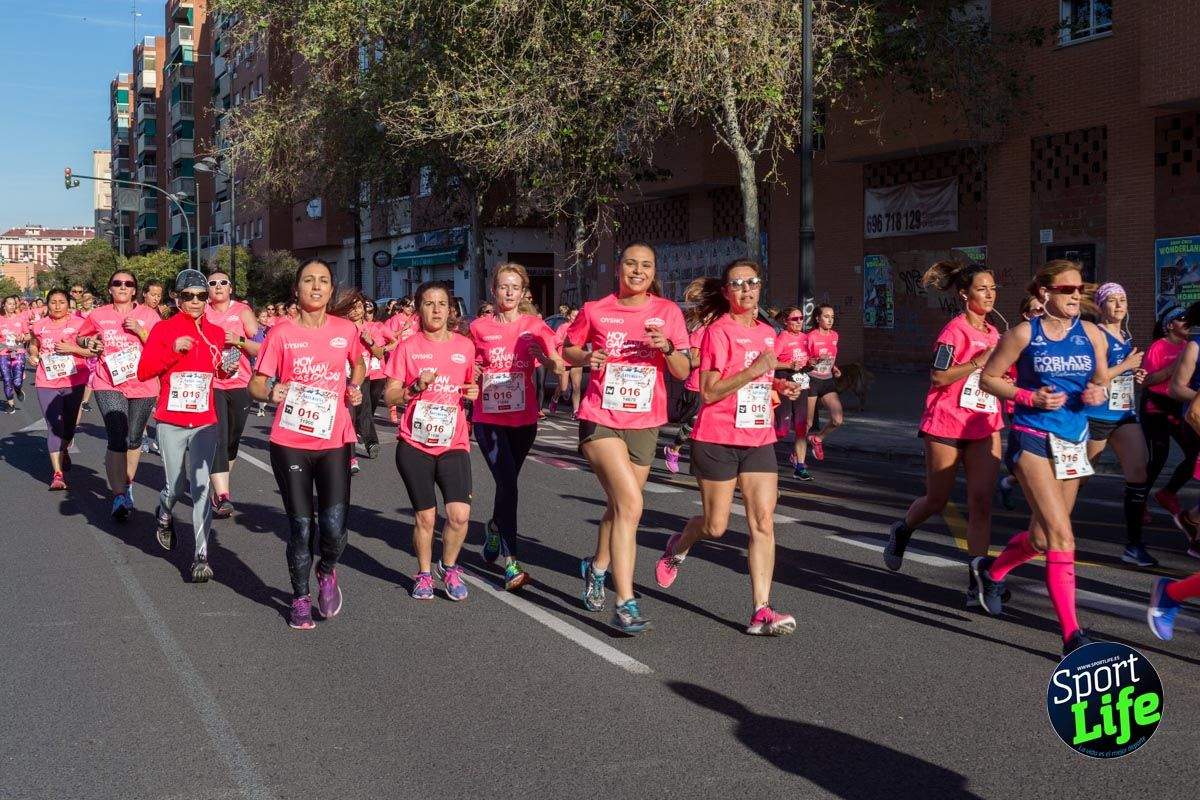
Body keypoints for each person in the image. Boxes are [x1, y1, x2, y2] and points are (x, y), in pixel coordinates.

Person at [653, 260, 800, 635]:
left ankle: (761, 610)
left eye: (752, 283)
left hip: (757, 439)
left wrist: (779, 388)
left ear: (760, 287)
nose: (746, 290)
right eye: (738, 284)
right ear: (726, 292)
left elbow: (760, 382)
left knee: (763, 522)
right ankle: (677, 546)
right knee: (716, 526)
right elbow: (709, 391)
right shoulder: (719, 333)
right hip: (717, 438)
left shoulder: (769, 333)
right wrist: (754, 371)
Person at [974, 260, 1110, 655]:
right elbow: (990, 378)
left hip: (1073, 440)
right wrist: (1028, 397)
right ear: (1045, 293)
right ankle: (1071, 636)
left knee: (1040, 538)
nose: (1075, 296)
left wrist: (1097, 393)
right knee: (1062, 536)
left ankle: (993, 571)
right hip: (1032, 438)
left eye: (1079, 289)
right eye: (1066, 290)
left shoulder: (1091, 334)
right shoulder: (1023, 334)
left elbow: (1100, 381)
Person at [562, 242, 691, 633]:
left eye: (646, 265)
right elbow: (569, 348)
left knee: (621, 509)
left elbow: (684, 371)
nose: (638, 270)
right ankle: (626, 602)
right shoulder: (596, 310)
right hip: (601, 417)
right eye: (631, 263)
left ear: (654, 272)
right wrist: (587, 358)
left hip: (645, 422)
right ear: (619, 269)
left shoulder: (667, 312)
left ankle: (596, 567)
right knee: (632, 505)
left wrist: (666, 348)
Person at [250, 258, 365, 629]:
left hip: (333, 438)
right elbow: (256, 382)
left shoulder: (345, 330)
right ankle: (299, 597)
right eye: (308, 280)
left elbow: (358, 363)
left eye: (324, 281)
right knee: (301, 526)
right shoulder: (281, 333)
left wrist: (355, 385)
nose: (316, 287)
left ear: (331, 290)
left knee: (334, 528)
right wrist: (272, 390)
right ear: (296, 290)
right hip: (291, 440)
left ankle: (327, 569)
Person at [883, 261, 1004, 608]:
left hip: (984, 423)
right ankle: (903, 529)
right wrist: (978, 362)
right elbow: (938, 377)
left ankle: (976, 584)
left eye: (993, 288)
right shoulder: (953, 331)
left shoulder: (997, 334)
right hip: (947, 424)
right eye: (982, 288)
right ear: (965, 294)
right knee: (937, 500)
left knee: (981, 503)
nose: (990, 294)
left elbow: (1002, 376)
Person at [469, 263, 566, 591]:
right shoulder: (479, 328)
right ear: (493, 291)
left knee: (507, 484)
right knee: (508, 484)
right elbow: (470, 366)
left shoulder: (534, 326)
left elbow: (556, 360)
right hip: (488, 419)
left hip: (524, 420)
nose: (508, 293)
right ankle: (512, 562)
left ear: (523, 292)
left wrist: (552, 362)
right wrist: (475, 374)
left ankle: (495, 526)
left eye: (515, 287)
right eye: (502, 287)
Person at [384, 281, 478, 601]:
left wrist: (474, 392)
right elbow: (390, 394)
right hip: (415, 444)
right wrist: (412, 389)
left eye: (441, 303)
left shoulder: (464, 346)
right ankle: (423, 573)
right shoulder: (408, 347)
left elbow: (469, 385)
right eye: (428, 303)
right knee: (426, 516)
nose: (436, 309)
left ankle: (448, 567)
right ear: (418, 309)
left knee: (459, 515)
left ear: (450, 309)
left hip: (454, 442)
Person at [137, 270, 227, 583]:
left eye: (201, 295)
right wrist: (172, 350)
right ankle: (163, 513)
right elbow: (143, 371)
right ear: (176, 298)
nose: (195, 302)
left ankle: (201, 557)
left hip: (204, 421)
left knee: (201, 489)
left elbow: (217, 370)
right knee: (175, 486)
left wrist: (226, 371)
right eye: (188, 295)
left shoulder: (215, 333)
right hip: (171, 421)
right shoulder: (163, 329)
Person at [75, 270, 162, 520]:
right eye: (117, 283)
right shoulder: (99, 314)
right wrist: (89, 344)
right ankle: (119, 495)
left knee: (134, 439)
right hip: (108, 382)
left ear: (135, 289)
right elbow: (81, 337)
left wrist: (140, 331)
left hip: (144, 384)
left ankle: (128, 483)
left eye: (128, 283)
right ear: (110, 289)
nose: (123, 287)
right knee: (117, 437)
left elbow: (160, 348)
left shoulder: (149, 315)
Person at [1082, 283, 1154, 565]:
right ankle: (1048, 525)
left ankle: (1134, 546)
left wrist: (1135, 375)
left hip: (1123, 413)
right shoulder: (1096, 335)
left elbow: (1117, 377)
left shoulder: (1124, 336)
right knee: (1079, 477)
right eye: (1112, 300)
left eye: (1122, 299)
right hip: (1097, 415)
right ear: (1100, 306)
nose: (1119, 305)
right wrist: (1127, 365)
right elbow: (1096, 378)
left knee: (1139, 471)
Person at [204, 270, 260, 518]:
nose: (218, 286)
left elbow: (260, 347)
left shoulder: (242, 311)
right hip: (211, 383)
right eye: (212, 283)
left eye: (223, 282)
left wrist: (238, 340)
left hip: (240, 382)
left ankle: (219, 487)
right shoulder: (201, 311)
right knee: (219, 435)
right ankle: (224, 495)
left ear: (230, 287)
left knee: (232, 440)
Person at [27, 289, 91, 489]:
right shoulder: (39, 326)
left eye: (61, 302)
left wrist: (72, 349)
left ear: (68, 304)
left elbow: (91, 350)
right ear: (47, 305)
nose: (57, 306)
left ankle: (64, 449)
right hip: (46, 381)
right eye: (53, 302)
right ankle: (57, 474)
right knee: (54, 426)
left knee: (69, 427)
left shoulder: (80, 324)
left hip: (74, 381)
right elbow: (33, 343)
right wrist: (33, 353)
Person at [1139, 304, 1193, 521]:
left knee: (1196, 454)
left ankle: (1168, 493)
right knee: (1158, 458)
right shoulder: (1158, 347)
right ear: (1170, 325)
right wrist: (1174, 368)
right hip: (1155, 408)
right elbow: (1146, 381)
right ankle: (1139, 500)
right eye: (1182, 318)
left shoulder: (1189, 346)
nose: (1187, 322)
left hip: (1178, 407)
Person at [997, 295, 1045, 508]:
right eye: (1037, 310)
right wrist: (1006, 378)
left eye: (1044, 309)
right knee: (1029, 457)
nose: (1042, 313)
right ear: (1026, 314)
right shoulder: (1018, 337)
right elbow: (996, 373)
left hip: (1044, 404)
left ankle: (1008, 482)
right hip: (1018, 405)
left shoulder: (1050, 337)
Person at [663, 281, 709, 474]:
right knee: (693, 423)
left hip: (714, 385)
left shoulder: (721, 331)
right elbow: (693, 361)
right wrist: (712, 359)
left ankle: (699, 462)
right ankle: (674, 449)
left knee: (706, 426)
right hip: (696, 385)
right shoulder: (699, 333)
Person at [793, 303, 842, 472]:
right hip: (812, 380)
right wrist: (810, 362)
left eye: (832, 317)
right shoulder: (810, 337)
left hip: (827, 380)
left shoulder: (835, 335)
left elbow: (832, 357)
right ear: (817, 318)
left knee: (838, 419)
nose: (830, 320)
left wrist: (834, 368)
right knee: (806, 423)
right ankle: (796, 455)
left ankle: (818, 439)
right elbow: (801, 359)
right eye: (826, 316)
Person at [772, 305, 810, 479]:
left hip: (801, 383)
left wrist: (813, 363)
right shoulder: (782, 338)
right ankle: (761, 453)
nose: (799, 321)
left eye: (801, 318)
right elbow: (770, 362)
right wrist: (788, 365)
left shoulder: (805, 337)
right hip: (784, 382)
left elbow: (807, 359)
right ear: (786, 321)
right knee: (782, 429)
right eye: (795, 319)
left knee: (802, 427)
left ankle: (800, 465)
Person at [0, 295, 30, 413]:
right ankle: (10, 403)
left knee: (17, 381)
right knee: (7, 379)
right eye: (9, 303)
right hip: (3, 352)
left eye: (14, 304)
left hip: (18, 352)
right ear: (4, 305)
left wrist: (23, 337)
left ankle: (18, 390)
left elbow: (28, 335)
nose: (12, 306)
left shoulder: (20, 319)